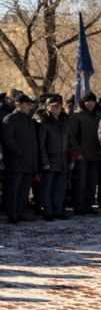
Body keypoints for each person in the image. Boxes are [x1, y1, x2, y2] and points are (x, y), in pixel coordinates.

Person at [2, 94, 38, 224]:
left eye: (30, 105)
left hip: (28, 162)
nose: (30, 107)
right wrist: (18, 150)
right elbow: (7, 139)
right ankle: (12, 215)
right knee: (13, 190)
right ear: (18, 104)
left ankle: (21, 212)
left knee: (24, 191)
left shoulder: (29, 120)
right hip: (15, 162)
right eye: (27, 104)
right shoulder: (10, 119)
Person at [36, 95, 72, 221]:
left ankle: (58, 210)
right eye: (55, 106)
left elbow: (69, 141)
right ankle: (48, 212)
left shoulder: (64, 121)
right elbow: (41, 144)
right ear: (47, 107)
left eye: (59, 106)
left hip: (62, 161)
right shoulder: (44, 122)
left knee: (60, 189)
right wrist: (45, 162)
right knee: (47, 189)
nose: (58, 109)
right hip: (49, 161)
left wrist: (71, 159)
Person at [69, 92, 101, 215]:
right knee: (81, 182)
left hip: (95, 154)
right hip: (82, 155)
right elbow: (72, 136)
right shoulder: (76, 116)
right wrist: (77, 152)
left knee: (92, 182)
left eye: (93, 101)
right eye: (88, 101)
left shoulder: (99, 115)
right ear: (83, 102)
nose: (90, 104)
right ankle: (78, 206)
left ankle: (88, 205)